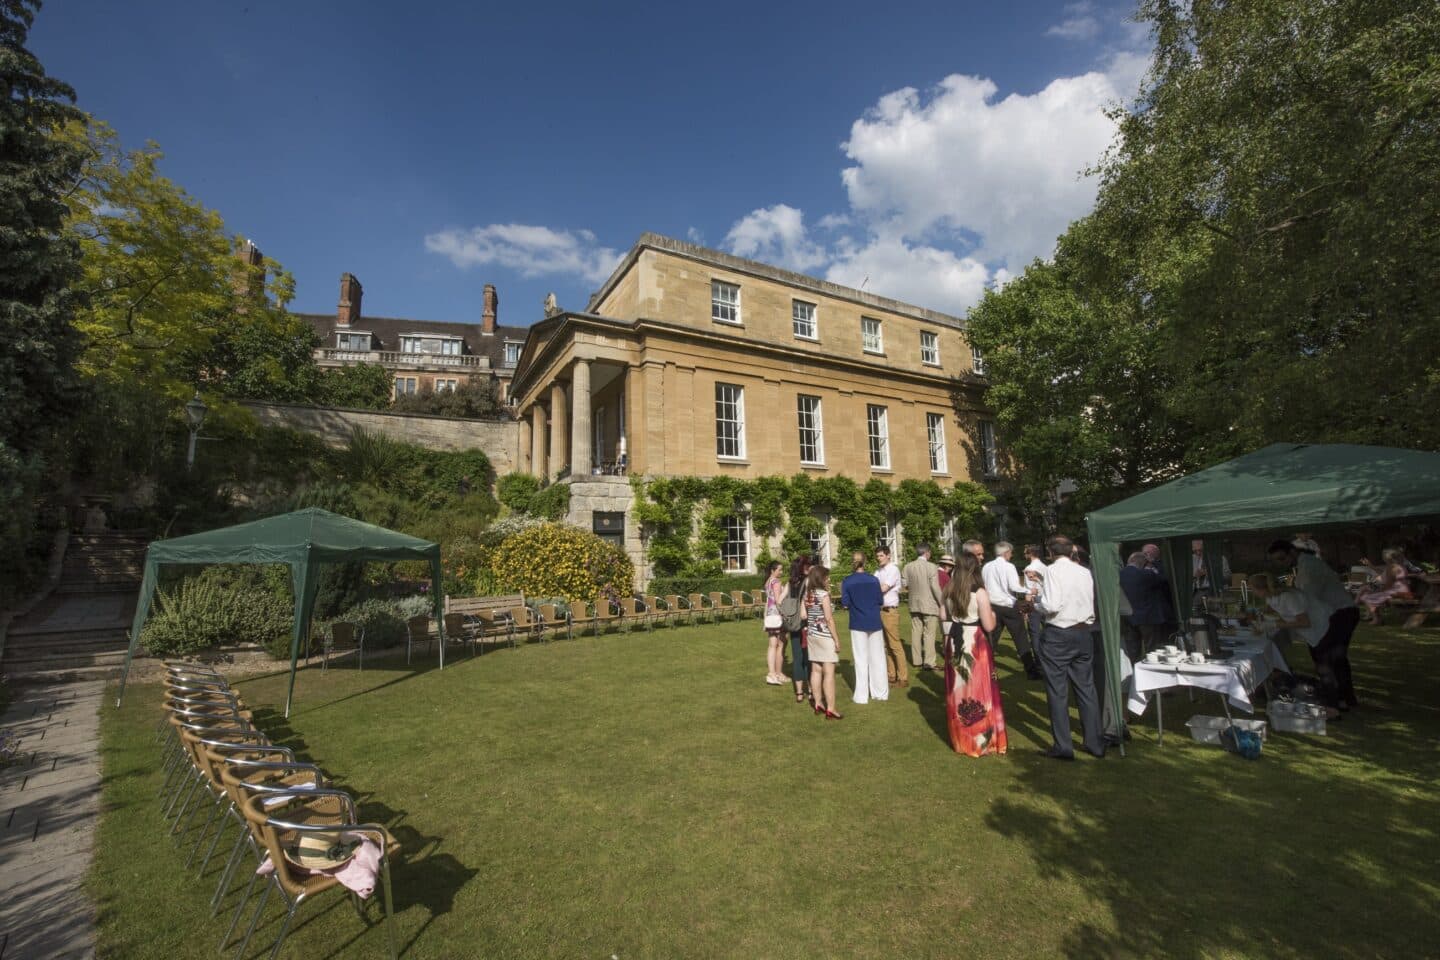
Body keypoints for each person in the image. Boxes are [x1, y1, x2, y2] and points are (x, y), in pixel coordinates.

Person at [1028, 536, 1105, 760]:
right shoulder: (1083, 571)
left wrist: (1035, 604)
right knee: (1086, 688)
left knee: (1057, 690)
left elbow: (1052, 604)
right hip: (1083, 632)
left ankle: (1063, 745)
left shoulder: (1053, 571)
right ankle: (1094, 742)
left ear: (1050, 553)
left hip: (1059, 633)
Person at [1268, 539, 1360, 710]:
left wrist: (1284, 596)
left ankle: (1337, 701)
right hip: (1336, 613)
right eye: (1277, 561)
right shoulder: (1304, 565)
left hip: (1341, 613)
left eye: (1282, 559)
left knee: (1327, 658)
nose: (1281, 564)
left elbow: (1306, 598)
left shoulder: (1309, 567)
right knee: (1333, 658)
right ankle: (1344, 698)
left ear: (1292, 552)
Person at [942, 553, 1005, 756]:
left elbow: (943, 616)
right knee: (979, 690)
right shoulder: (979, 593)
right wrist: (993, 615)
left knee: (959, 691)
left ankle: (962, 738)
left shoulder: (949, 590)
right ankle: (981, 740)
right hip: (975, 641)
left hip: (955, 639)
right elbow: (989, 625)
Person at [982, 541, 1041, 679]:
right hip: (1008, 606)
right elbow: (1014, 587)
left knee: (991, 640)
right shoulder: (1009, 567)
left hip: (992, 606)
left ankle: (985, 669)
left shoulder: (986, 566)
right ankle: (1031, 672)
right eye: (1011, 552)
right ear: (1006, 552)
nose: (1011, 555)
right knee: (1021, 639)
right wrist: (1029, 590)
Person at [840, 552, 887, 704]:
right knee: (878, 658)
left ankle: (861, 696)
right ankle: (880, 693)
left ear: (852, 562)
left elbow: (845, 603)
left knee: (861, 659)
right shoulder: (873, 580)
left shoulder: (847, 581)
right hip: (874, 620)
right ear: (865, 562)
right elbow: (880, 600)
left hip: (858, 622)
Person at [804, 565, 844, 719]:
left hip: (812, 635)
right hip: (825, 636)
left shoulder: (808, 594)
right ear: (821, 578)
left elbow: (806, 615)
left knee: (815, 670)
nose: (829, 579)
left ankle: (818, 703)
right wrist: (837, 639)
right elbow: (828, 619)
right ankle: (831, 708)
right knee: (829, 673)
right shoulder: (823, 595)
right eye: (827, 577)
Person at [903, 543, 944, 672]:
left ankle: (916, 661)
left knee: (916, 632)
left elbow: (905, 584)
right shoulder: (932, 567)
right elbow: (935, 587)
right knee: (929, 634)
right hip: (929, 604)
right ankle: (929, 662)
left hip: (914, 603)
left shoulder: (907, 566)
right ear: (927, 553)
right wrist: (942, 602)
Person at [1119, 550, 1168, 656]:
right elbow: (1163, 579)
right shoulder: (1147, 574)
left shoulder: (1119, 575)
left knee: (1132, 651)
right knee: (1152, 651)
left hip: (1128, 617)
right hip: (1148, 617)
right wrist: (1153, 565)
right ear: (1142, 562)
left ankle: (1135, 670)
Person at [875, 546, 907, 687]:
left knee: (895, 645)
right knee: (886, 646)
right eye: (877, 556)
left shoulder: (893, 569)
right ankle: (891, 675)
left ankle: (903, 678)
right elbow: (874, 588)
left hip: (890, 611)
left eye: (881, 555)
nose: (878, 558)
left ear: (888, 555)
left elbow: (883, 588)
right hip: (880, 610)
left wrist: (878, 587)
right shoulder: (878, 571)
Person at [1356, 548, 1417, 622]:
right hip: (1402, 591)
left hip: (1398, 593)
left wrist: (1377, 590)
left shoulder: (1391, 568)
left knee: (1367, 597)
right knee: (1366, 591)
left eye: (1383, 556)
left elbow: (1388, 585)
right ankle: (1370, 616)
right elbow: (1385, 576)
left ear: (1387, 558)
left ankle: (1376, 619)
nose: (1383, 558)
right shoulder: (1399, 566)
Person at [783, 556, 812, 704]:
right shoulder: (808, 581)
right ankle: (811, 691)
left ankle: (799, 693)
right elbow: (808, 599)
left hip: (793, 623)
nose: (809, 567)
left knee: (797, 657)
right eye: (807, 565)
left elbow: (780, 599)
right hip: (805, 622)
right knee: (808, 658)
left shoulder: (790, 582)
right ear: (801, 567)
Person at [762, 560, 787, 685]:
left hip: (770, 615)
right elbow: (778, 601)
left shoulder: (768, 581)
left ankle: (776, 673)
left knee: (777, 643)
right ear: (773, 570)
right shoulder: (776, 582)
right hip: (776, 615)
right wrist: (786, 590)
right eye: (779, 570)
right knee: (774, 644)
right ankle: (772, 674)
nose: (781, 572)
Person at [1022, 544, 1047, 657]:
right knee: (1048, 630)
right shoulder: (1045, 567)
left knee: (1035, 633)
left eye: (1026, 552)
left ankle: (1038, 660)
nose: (1024, 554)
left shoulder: (1029, 568)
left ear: (1030, 554)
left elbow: (1029, 591)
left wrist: (1027, 609)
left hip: (1035, 601)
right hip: (1046, 600)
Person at [937, 554, 955, 644]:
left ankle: (945, 647)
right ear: (945, 565)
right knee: (948, 629)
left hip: (936, 604)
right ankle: (948, 650)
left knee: (944, 629)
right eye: (950, 566)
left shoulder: (934, 573)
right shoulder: (945, 576)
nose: (951, 568)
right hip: (945, 604)